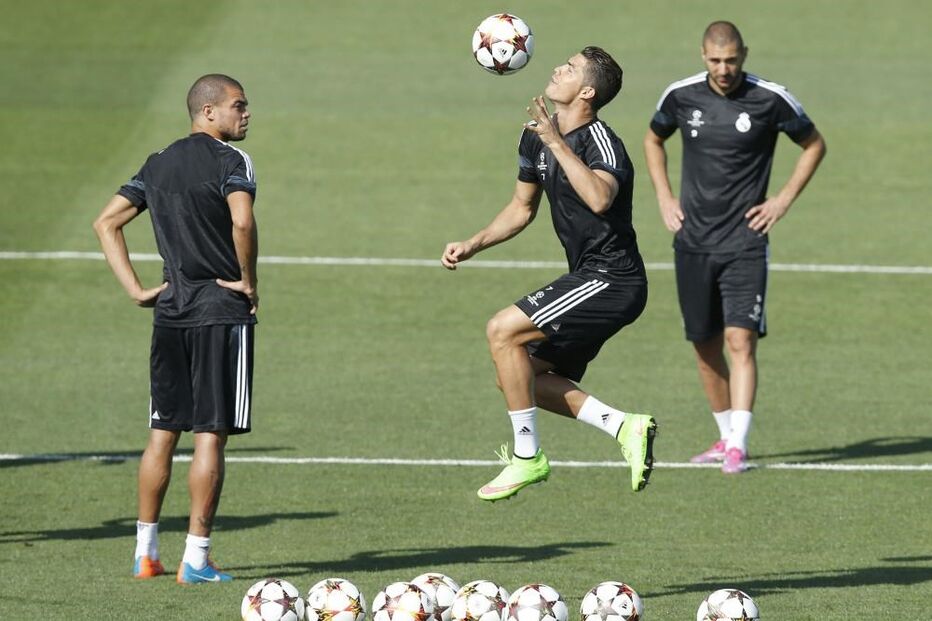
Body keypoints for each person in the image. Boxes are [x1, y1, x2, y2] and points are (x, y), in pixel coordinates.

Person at [442, 46, 658, 501]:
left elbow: (600, 198)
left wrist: (556, 142)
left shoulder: (601, 142)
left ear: (587, 91)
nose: (558, 67)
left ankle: (528, 458)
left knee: (502, 330)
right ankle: (624, 426)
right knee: (519, 374)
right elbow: (522, 210)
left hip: (613, 278)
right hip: (589, 274)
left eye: (571, 68)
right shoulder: (536, 136)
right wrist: (473, 243)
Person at [93, 74, 258, 582]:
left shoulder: (157, 163)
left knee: (161, 433)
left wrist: (138, 289)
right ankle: (196, 558)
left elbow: (106, 222)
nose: (247, 114)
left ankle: (145, 554)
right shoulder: (233, 162)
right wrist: (247, 282)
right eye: (238, 106)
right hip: (220, 311)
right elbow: (243, 222)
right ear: (208, 112)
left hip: (170, 312)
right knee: (211, 434)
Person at [643, 21, 826, 473]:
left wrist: (781, 201)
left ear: (743, 54)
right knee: (704, 346)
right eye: (715, 61)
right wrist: (665, 196)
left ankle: (739, 445)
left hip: (745, 241)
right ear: (702, 56)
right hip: (692, 241)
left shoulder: (771, 98)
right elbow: (653, 139)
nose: (723, 70)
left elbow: (814, 145)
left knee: (740, 340)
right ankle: (725, 437)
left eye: (731, 60)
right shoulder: (680, 96)